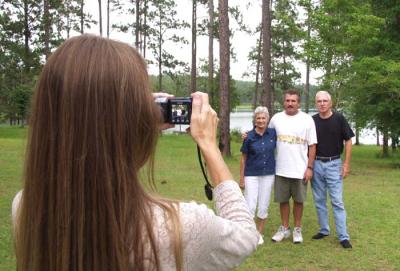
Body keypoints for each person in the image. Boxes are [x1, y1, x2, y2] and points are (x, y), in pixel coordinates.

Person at [11, 34, 259, 271]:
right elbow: (245, 236)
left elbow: (95, 164)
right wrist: (208, 145)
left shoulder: (27, 206)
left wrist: (126, 118)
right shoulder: (178, 227)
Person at [269, 89, 317, 244]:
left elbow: (312, 145)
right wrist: (248, 135)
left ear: (299, 103)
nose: (290, 104)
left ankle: (297, 229)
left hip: (300, 170)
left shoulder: (307, 120)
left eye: (293, 101)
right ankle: (285, 228)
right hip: (280, 168)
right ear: (284, 102)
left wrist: (309, 167)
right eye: (287, 101)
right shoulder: (276, 118)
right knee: (283, 200)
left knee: (298, 200)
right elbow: (266, 135)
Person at [311, 90, 354, 249]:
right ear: (316, 103)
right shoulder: (312, 121)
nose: (322, 104)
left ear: (330, 103)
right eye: (319, 101)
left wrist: (346, 164)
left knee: (337, 201)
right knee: (319, 200)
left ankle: (343, 236)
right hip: (316, 165)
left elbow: (348, 141)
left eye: (324, 101)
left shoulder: (339, 118)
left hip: (334, 164)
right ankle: (324, 230)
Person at [239, 106, 276, 246]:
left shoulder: (273, 133)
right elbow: (243, 158)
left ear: (267, 119)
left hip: (268, 174)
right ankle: (248, 233)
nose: (261, 120)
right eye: (258, 118)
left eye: (263, 118)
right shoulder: (248, 137)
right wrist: (241, 178)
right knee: (250, 205)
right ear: (254, 120)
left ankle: (259, 233)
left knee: (263, 205)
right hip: (251, 175)